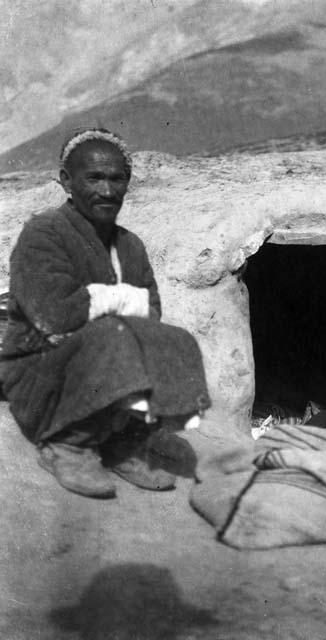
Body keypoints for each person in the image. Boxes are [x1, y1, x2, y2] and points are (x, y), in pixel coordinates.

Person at [0, 128, 210, 499]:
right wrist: (118, 301)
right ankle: (67, 446)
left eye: (117, 179)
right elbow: (55, 317)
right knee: (115, 338)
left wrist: (108, 304)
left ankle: (120, 445)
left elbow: (153, 310)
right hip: (39, 371)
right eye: (94, 178)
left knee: (176, 344)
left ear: (128, 183)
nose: (107, 191)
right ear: (67, 181)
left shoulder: (130, 246)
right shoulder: (43, 234)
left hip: (97, 357)